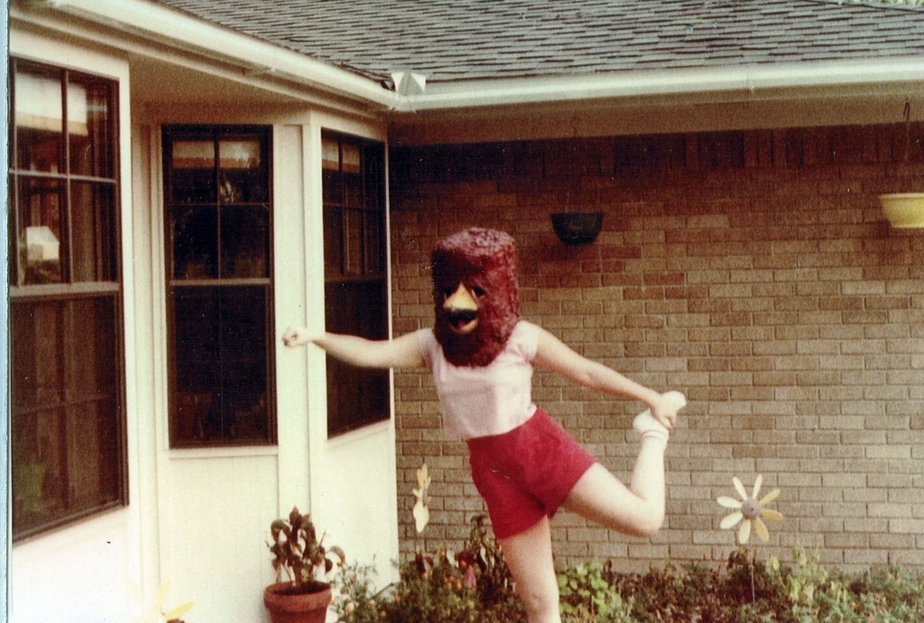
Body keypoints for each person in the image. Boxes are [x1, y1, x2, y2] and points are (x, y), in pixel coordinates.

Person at [282, 227, 686, 623]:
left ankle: (651, 432)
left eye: (476, 290)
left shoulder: (521, 337)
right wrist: (315, 336)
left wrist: (650, 398)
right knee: (541, 606)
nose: (460, 302)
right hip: (495, 476)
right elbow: (372, 353)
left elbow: (587, 372)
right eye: (450, 291)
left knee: (645, 520)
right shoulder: (432, 346)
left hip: (539, 450)